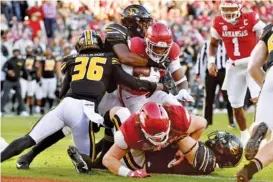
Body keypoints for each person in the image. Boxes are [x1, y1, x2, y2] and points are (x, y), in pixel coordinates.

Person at [1, 30, 164, 165]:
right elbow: (129, 82)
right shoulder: (108, 59)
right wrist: (155, 85)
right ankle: (81, 159)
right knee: (88, 159)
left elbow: (63, 90)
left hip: (67, 103)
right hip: (86, 109)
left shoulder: (73, 60)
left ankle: (16, 157)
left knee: (29, 138)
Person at [101, 102, 243, 177]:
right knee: (120, 118)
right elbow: (201, 122)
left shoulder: (180, 126)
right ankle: (105, 133)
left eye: (219, 144)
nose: (214, 141)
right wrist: (182, 146)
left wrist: (130, 173)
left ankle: (103, 133)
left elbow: (108, 159)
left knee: (120, 112)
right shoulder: (132, 129)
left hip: (141, 161)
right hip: (142, 148)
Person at [208, 0, 265, 146]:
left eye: (232, 8)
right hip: (234, 66)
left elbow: (266, 36)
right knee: (236, 105)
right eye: (225, 9)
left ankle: (261, 135)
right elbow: (213, 43)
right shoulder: (218, 22)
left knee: (259, 99)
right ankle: (244, 135)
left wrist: (263, 57)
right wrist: (211, 61)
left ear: (239, 7)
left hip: (253, 64)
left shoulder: (251, 18)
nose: (228, 12)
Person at [236, 23, 273, 182]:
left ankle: (249, 169)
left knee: (262, 125)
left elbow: (252, 67)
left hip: (271, 76)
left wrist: (264, 87)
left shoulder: (269, 29)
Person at [196, 40, 235, 128]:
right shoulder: (206, 43)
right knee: (209, 98)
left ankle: (232, 121)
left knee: (228, 97)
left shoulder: (227, 42)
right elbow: (201, 58)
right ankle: (207, 122)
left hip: (223, 71)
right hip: (210, 72)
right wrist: (198, 73)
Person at [1, 48, 27, 116]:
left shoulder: (21, 61)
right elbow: (3, 68)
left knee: (20, 96)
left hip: (17, 80)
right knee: (5, 95)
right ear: (13, 53)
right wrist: (8, 71)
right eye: (15, 52)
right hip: (9, 81)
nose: (16, 53)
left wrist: (26, 76)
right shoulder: (10, 60)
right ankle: (0, 110)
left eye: (17, 52)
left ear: (19, 53)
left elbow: (24, 70)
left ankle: (23, 110)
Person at [20, 45, 39, 115]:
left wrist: (31, 71)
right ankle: (23, 109)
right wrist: (26, 71)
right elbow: (21, 66)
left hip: (32, 77)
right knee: (23, 93)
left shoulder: (35, 58)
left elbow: (37, 67)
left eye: (30, 50)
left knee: (31, 94)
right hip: (24, 78)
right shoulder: (23, 57)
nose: (29, 51)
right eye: (27, 50)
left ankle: (30, 110)